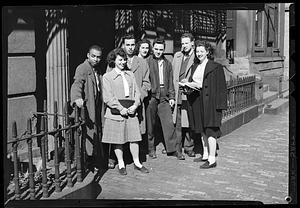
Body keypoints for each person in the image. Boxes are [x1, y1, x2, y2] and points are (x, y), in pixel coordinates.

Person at [102, 48, 149, 175]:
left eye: (124, 60)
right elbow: (108, 97)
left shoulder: (130, 74)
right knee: (118, 140)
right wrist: (120, 108)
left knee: (134, 139)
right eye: (120, 60)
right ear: (114, 61)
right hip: (116, 112)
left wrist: (135, 105)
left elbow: (137, 92)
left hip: (131, 111)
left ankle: (137, 163)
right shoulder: (107, 77)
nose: (123, 62)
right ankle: (121, 164)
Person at [182, 40, 227, 169]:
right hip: (197, 101)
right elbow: (194, 81)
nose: (199, 53)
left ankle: (212, 160)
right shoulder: (195, 66)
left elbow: (222, 87)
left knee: (210, 129)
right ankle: (205, 154)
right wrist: (187, 83)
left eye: (202, 51)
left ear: (207, 52)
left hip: (211, 103)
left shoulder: (215, 67)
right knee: (202, 129)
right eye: (197, 51)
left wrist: (220, 107)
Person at [146, 37, 184, 160]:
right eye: (156, 49)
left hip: (164, 95)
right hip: (151, 95)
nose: (158, 51)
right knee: (150, 124)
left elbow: (171, 81)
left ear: (164, 50)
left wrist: (172, 96)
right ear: (153, 48)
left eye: (161, 49)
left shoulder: (167, 63)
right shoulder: (147, 61)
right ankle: (151, 149)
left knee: (168, 123)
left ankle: (173, 149)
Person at [70, 45, 104, 171]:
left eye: (98, 57)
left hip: (96, 107)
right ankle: (84, 163)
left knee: (95, 134)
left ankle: (92, 161)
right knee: (86, 135)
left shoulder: (97, 70)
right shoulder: (82, 68)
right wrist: (77, 98)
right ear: (88, 55)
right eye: (93, 56)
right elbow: (77, 83)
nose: (96, 59)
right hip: (87, 108)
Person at [172, 33, 196, 159]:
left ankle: (189, 147)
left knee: (190, 123)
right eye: (182, 43)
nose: (184, 46)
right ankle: (178, 149)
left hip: (189, 93)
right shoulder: (177, 56)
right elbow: (172, 75)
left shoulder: (197, 57)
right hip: (177, 93)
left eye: (186, 43)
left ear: (192, 43)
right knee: (178, 122)